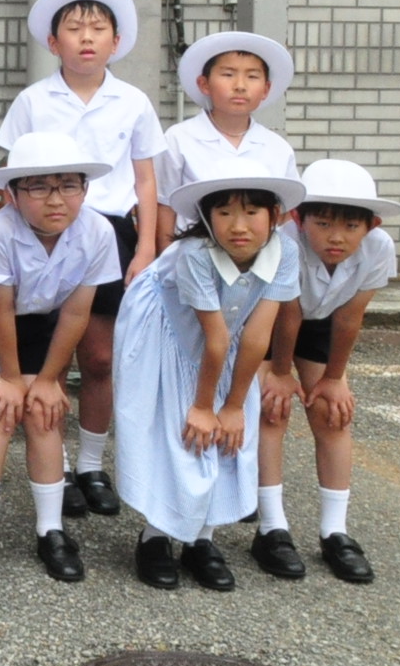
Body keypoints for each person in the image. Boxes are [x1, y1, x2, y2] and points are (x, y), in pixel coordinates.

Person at [0, 0, 164, 520]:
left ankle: (91, 464)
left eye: (97, 29)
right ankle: (58, 465)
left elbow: (146, 182)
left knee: (99, 357)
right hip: (42, 231)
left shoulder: (133, 102)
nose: (86, 38)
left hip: (110, 232)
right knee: (49, 355)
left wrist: (146, 248)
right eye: (74, 28)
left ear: (116, 41)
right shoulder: (33, 100)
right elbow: (8, 177)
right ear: (53, 41)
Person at [113, 161, 303, 591]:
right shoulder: (196, 254)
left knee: (230, 433)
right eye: (224, 213)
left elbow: (257, 334)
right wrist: (203, 406)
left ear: (276, 215)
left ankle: (202, 539)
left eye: (252, 212)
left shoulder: (285, 252)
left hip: (230, 332)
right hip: (164, 330)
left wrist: (232, 406)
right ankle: (155, 537)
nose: (239, 226)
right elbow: (212, 339)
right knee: (177, 430)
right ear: (205, 216)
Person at [0, 132, 116, 583]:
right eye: (38, 187)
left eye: (68, 185)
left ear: (85, 189)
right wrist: (11, 379)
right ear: (12, 194)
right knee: (2, 409)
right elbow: (0, 311)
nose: (56, 199)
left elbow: (77, 312)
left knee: (44, 411)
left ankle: (51, 530)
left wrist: (46, 379)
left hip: (44, 315)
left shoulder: (98, 232)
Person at [253, 158, 400, 584]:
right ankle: (271, 528)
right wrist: (281, 373)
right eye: (323, 223)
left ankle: (335, 531)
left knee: (333, 415)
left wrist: (334, 379)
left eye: (351, 226)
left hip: (322, 323)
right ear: (299, 218)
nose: (337, 237)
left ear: (371, 225)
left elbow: (350, 317)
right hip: (267, 320)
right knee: (272, 409)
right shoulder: (282, 241)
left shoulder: (379, 248)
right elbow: (287, 314)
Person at [153, 31, 299, 249]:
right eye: (228, 74)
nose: (240, 85)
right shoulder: (179, 138)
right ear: (204, 84)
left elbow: (286, 212)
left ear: (266, 89)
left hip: (259, 258)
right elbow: (165, 205)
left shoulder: (278, 147)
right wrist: (167, 258)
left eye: (252, 76)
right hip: (194, 254)